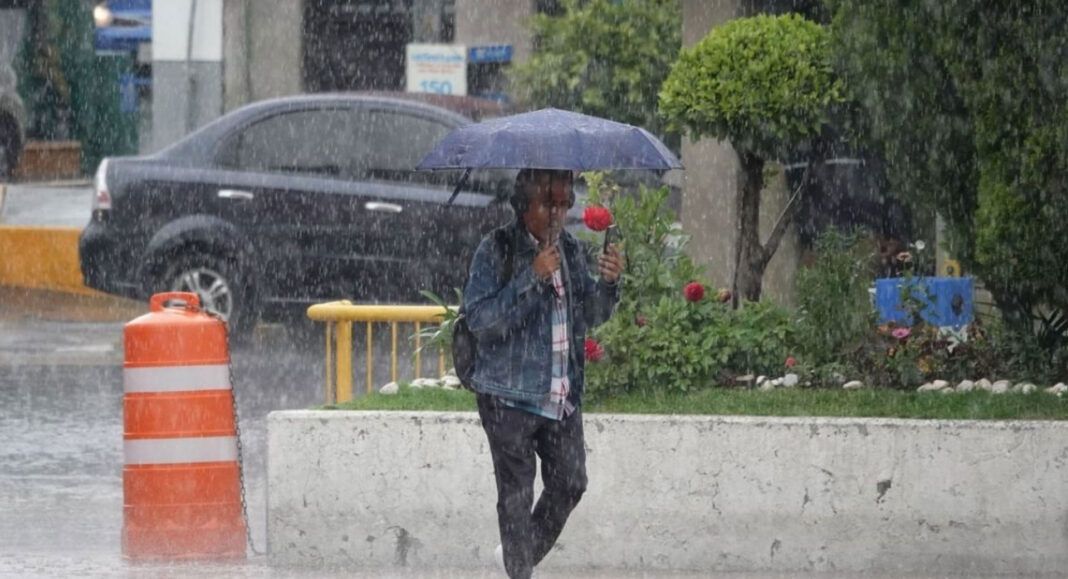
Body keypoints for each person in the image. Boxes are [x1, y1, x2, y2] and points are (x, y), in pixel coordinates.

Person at [462, 168, 623, 579]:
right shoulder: (495, 249)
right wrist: (531, 276)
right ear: (524, 205)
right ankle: (520, 569)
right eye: (549, 203)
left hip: (560, 396)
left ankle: (517, 558)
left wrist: (608, 284)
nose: (558, 214)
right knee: (516, 498)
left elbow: (591, 313)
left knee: (571, 482)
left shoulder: (569, 248)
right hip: (508, 397)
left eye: (565, 204)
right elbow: (481, 321)